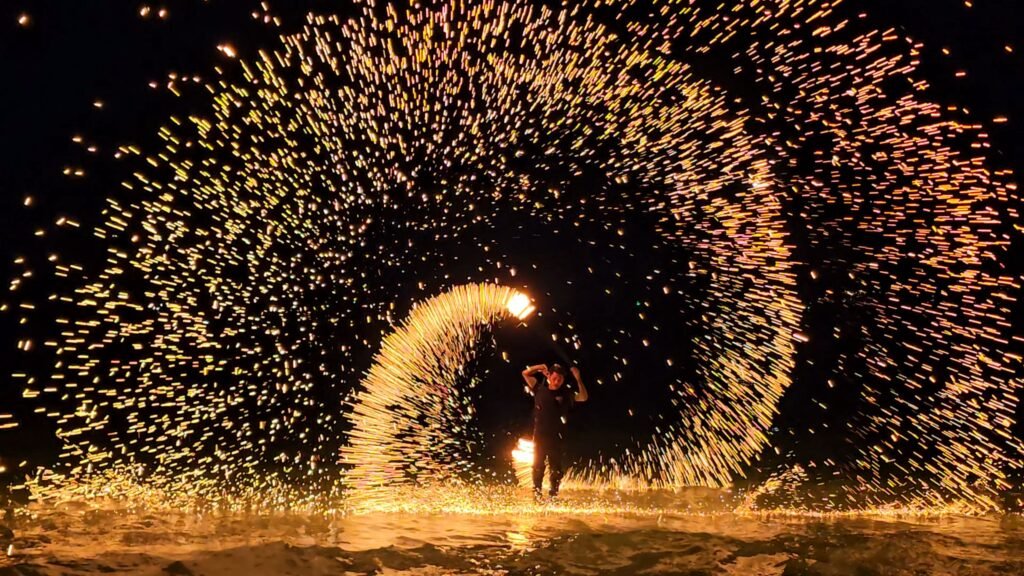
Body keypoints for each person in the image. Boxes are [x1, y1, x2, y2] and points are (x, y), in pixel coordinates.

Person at [521, 362, 588, 498]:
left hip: (556, 437)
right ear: (549, 376)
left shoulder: (566, 394)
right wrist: (540, 367)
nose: (557, 381)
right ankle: (537, 495)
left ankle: (553, 496)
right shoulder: (538, 388)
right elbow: (525, 373)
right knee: (538, 467)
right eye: (555, 378)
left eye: (560, 379)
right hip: (539, 436)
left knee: (556, 470)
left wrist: (578, 378)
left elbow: (583, 397)